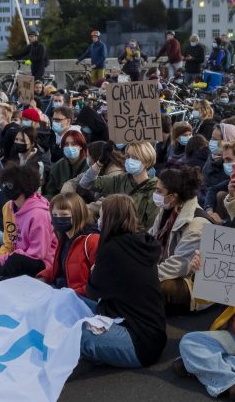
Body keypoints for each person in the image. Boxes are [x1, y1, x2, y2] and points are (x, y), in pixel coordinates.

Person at [80, 194, 167, 369]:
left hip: (137, 342)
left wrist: (94, 270)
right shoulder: (141, 241)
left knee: (73, 331)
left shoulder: (113, 249)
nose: (99, 220)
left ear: (110, 219)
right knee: (74, 303)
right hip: (149, 333)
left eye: (102, 216)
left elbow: (93, 290)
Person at [0, 162, 57, 279]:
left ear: (24, 187)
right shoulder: (8, 207)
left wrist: (1, 259)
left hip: (40, 261)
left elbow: (38, 253)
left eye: (9, 186)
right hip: (16, 253)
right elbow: (9, 242)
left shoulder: (39, 214)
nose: (4, 189)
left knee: (14, 261)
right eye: (3, 185)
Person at [148, 166, 209, 312]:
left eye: (159, 190)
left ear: (173, 196)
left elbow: (178, 266)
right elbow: (150, 238)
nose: (155, 194)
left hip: (192, 282)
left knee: (160, 287)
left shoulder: (196, 224)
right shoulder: (167, 210)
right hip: (170, 269)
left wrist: (143, 275)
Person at [79, 140, 159, 230]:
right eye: (128, 156)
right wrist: (100, 161)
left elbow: (152, 226)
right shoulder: (120, 180)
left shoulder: (154, 189)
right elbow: (86, 183)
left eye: (135, 158)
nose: (130, 160)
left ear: (147, 161)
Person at [38, 192, 100, 294]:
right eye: (54, 215)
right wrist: (42, 277)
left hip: (79, 299)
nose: (58, 218)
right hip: (60, 292)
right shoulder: (64, 237)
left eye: (64, 215)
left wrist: (71, 294)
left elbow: (99, 281)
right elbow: (60, 268)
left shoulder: (92, 240)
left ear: (78, 214)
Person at [43, 129, 88, 197]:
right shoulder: (57, 166)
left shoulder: (89, 165)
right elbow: (50, 192)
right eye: (66, 144)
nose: (69, 147)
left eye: (73, 144)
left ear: (81, 146)